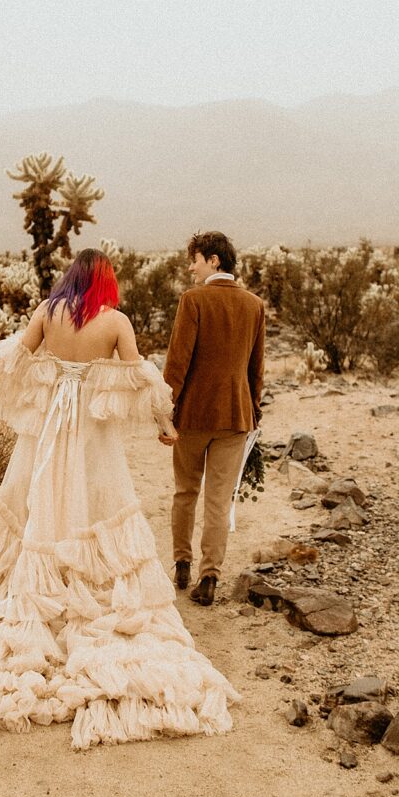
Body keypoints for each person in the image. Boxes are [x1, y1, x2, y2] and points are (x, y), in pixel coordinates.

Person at [0, 248, 242, 749]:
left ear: (72, 277)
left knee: (38, 498)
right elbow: (141, 377)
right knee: (96, 500)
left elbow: (15, 355)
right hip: (92, 430)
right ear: (107, 282)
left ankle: (34, 587)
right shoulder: (116, 321)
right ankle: (83, 586)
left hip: (50, 424)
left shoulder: (48, 312)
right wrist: (166, 423)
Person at [161, 231, 266, 607]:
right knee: (219, 501)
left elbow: (177, 363)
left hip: (193, 415)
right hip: (236, 417)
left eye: (196, 259)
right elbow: (257, 368)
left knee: (185, 491)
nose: (191, 266)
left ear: (214, 261)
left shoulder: (193, 301)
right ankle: (210, 577)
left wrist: (164, 411)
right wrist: (253, 409)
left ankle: (182, 563)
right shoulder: (254, 305)